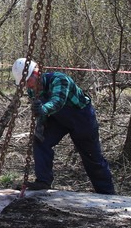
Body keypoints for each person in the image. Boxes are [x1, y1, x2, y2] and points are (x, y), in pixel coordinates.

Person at [11, 58, 115, 195]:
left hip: (81, 118)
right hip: (58, 119)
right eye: (23, 83)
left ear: (36, 73)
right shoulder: (32, 90)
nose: (26, 86)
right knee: (41, 141)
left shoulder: (60, 80)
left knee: (92, 157)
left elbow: (57, 101)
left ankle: (107, 194)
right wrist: (41, 123)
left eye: (27, 81)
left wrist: (43, 109)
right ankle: (43, 181)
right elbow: (41, 110)